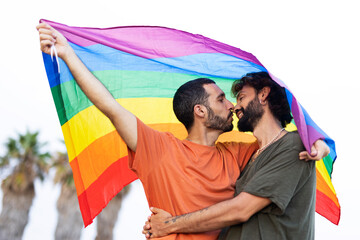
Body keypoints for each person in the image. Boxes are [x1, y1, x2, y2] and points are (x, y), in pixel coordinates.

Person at [37, 23, 327, 240]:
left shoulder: (241, 155)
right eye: (221, 99)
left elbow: (283, 141)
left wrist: (320, 140)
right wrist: (68, 54)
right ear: (200, 111)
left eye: (234, 98)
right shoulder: (158, 148)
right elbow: (110, 106)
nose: (231, 106)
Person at [144, 72, 320, 240]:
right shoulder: (251, 157)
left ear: (263, 94)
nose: (235, 107)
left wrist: (169, 224)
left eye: (241, 98)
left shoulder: (293, 145)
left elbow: (240, 210)